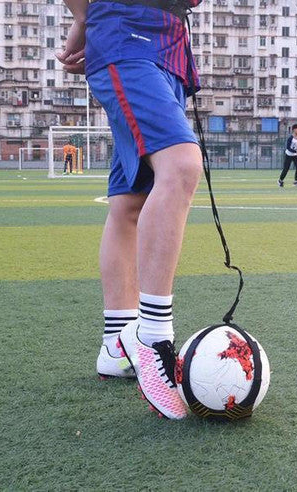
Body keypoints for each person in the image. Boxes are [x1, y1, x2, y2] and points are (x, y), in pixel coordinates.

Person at [57, 0, 203, 419]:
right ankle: (153, 338)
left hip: (169, 45)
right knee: (180, 164)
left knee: (130, 201)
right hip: (126, 35)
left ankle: (116, 344)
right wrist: (83, 16)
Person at [278, 124, 297, 188]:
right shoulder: (290, 138)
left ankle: (296, 181)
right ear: (294, 130)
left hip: (295, 156)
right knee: (286, 169)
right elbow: (288, 148)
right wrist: (296, 151)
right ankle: (280, 180)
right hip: (289, 155)